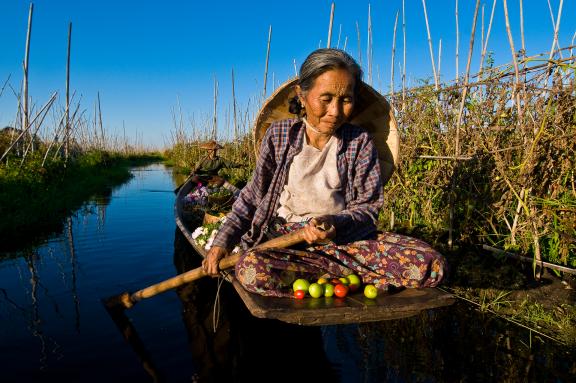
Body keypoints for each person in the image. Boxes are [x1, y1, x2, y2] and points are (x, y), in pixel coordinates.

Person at [202, 48, 447, 297]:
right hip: (287, 241)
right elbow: (253, 196)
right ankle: (352, 275)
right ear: (303, 94)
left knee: (431, 264)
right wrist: (223, 241)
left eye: (346, 100)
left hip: (343, 241)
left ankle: (327, 271)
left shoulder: (359, 141)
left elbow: (368, 207)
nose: (335, 112)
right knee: (251, 269)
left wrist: (334, 224)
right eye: (326, 98)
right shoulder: (279, 135)